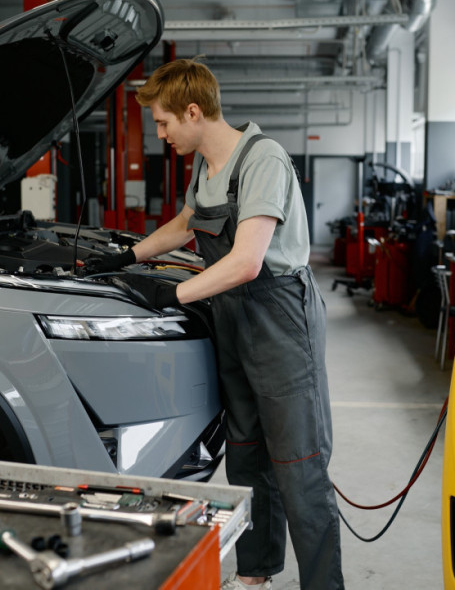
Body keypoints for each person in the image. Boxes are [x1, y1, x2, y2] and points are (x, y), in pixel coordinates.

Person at [86, 58, 344, 590]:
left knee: (299, 465)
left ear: (194, 112)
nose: (159, 134)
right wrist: (124, 257)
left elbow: (248, 260)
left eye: (162, 122)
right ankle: (256, 573)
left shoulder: (263, 158)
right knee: (247, 454)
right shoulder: (205, 166)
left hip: (279, 318)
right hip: (232, 315)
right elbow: (187, 225)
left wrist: (171, 292)